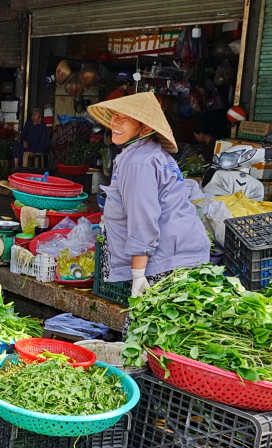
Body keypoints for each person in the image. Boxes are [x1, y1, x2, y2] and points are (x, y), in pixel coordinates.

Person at [87, 92, 209, 307]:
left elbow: (143, 220)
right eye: (115, 116)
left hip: (167, 261)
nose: (115, 123)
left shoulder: (139, 162)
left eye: (124, 119)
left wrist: (138, 274)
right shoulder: (148, 154)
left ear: (145, 128)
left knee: (144, 333)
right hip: (182, 254)